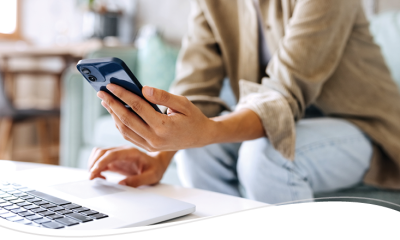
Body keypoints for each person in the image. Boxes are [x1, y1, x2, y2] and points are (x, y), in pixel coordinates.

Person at [88, 0, 400, 205]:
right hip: (296, 122)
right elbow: (195, 89)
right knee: (197, 155)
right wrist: (160, 153)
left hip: (368, 128)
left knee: (267, 154)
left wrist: (206, 132)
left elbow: (283, 93)